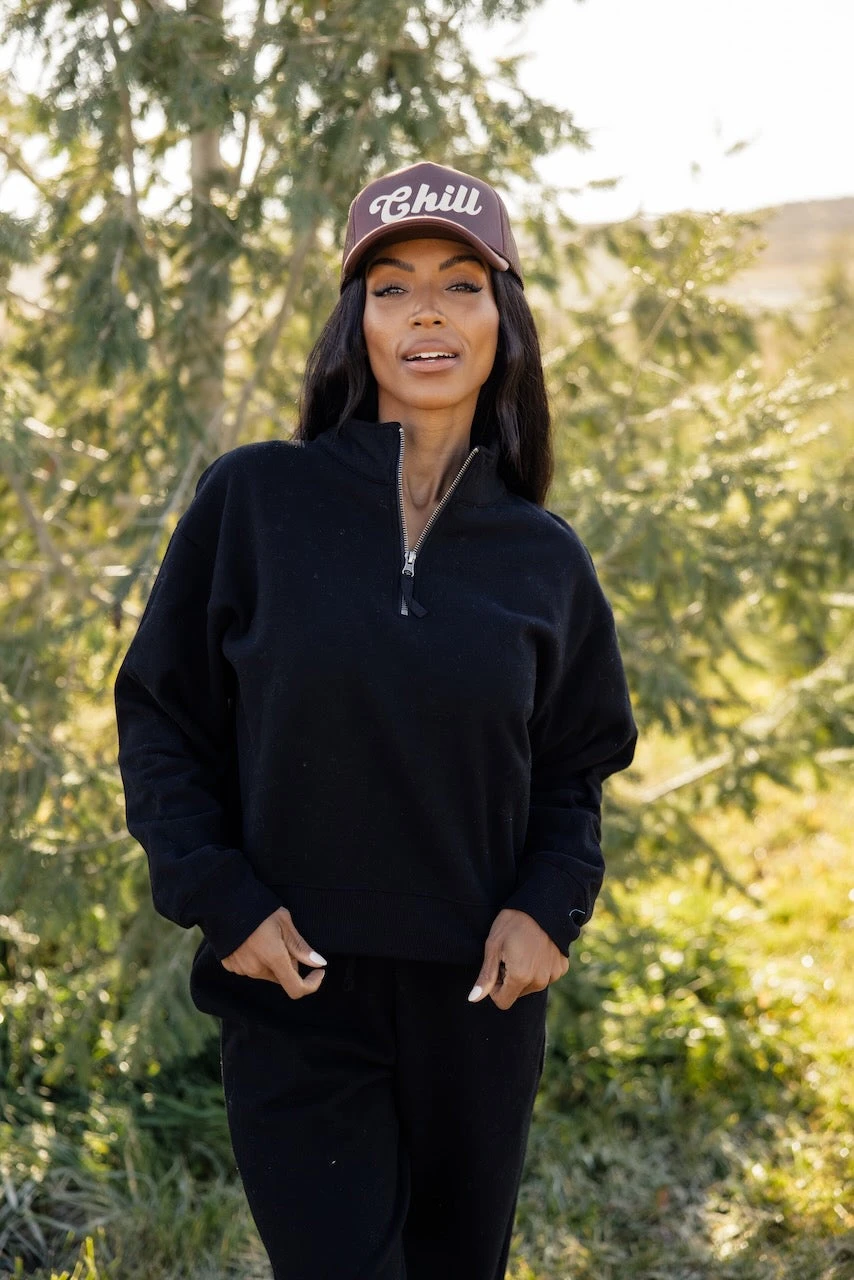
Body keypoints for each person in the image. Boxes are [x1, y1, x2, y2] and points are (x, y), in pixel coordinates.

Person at [113, 159, 638, 1280]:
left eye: (459, 285)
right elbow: (161, 715)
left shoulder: (543, 557)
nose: (425, 313)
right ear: (356, 324)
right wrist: (220, 895)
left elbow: (575, 766)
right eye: (391, 288)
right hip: (293, 988)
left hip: (479, 1002)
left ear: (503, 322)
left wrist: (548, 906)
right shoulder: (255, 500)